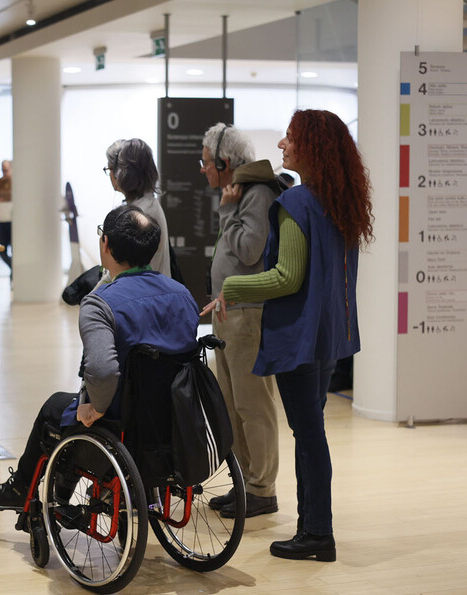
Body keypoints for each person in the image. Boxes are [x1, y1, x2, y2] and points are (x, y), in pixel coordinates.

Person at [203, 109, 373, 563]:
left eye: (291, 138)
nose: (281, 144)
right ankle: (311, 527)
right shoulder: (338, 201)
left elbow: (286, 277)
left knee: (308, 434)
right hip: (328, 334)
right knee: (310, 432)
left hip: (299, 336)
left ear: (313, 147)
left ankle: (317, 531)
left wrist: (231, 289)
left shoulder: (296, 202)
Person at [0, 204, 198, 510]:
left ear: (106, 245)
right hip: (176, 416)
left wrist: (97, 406)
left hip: (123, 422)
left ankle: (20, 489)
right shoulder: (182, 294)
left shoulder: (100, 303)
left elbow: (103, 371)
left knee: (55, 408)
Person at [198, 123, 284, 519]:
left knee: (253, 405)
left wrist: (228, 211)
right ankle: (247, 484)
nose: (203, 169)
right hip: (229, 313)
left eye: (206, 162)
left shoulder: (256, 194)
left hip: (248, 315)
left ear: (224, 162)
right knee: (233, 406)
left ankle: (262, 488)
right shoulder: (240, 194)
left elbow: (250, 251)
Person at [104, 139, 171, 277]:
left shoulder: (140, 214)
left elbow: (122, 267)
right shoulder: (146, 205)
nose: (111, 175)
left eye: (110, 169)